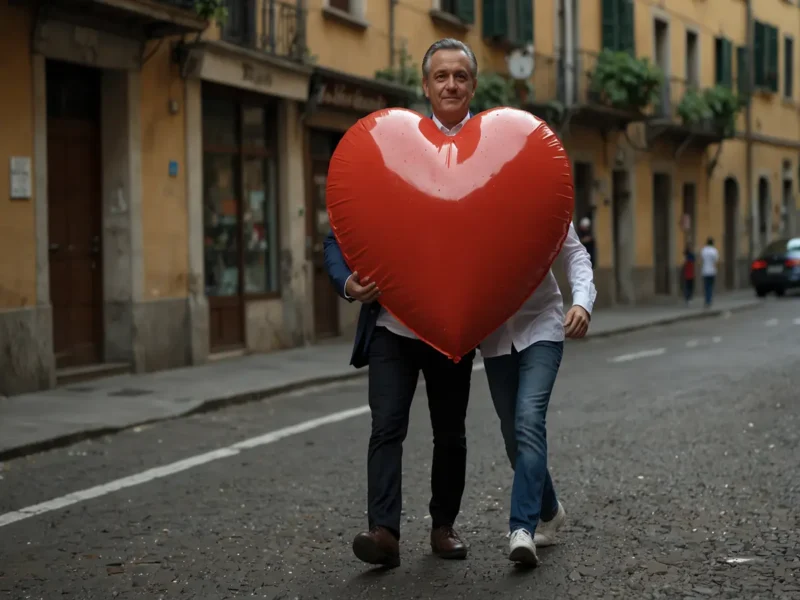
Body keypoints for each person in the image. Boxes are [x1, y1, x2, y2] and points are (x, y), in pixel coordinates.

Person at [323, 38, 480, 569]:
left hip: (453, 325)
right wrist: (349, 283)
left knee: (450, 433)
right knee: (386, 427)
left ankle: (443, 526)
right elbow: (336, 238)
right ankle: (383, 531)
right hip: (391, 324)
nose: (451, 85)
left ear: (472, 86)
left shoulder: (491, 145)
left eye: (460, 76)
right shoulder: (395, 144)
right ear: (426, 86)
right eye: (441, 76)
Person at [481, 222, 596, 566]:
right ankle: (550, 510)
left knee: (529, 419)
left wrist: (582, 302)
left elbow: (574, 251)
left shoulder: (541, 192)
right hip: (493, 332)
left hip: (543, 325)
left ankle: (522, 528)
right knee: (512, 436)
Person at [701, 237, 719, 307]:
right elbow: (715, 261)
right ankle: (709, 300)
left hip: (705, 271)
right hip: (712, 271)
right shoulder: (714, 251)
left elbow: (701, 260)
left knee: (706, 286)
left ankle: (706, 300)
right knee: (710, 287)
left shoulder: (704, 250)